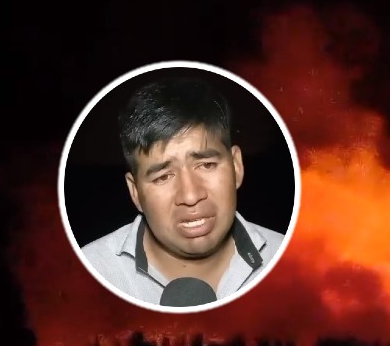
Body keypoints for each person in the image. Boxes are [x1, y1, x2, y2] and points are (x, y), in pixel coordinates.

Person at [81, 75, 285, 307]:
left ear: (236, 166)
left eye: (206, 165)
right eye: (163, 177)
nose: (190, 196)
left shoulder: (291, 260)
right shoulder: (88, 276)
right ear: (135, 191)